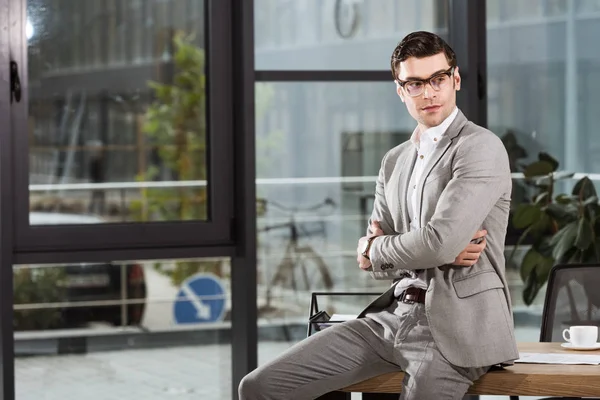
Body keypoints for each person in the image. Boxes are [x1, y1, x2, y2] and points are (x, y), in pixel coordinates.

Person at [238, 31, 518, 400]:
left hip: (457, 328)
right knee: (259, 386)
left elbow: (435, 243)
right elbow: (378, 263)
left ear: (456, 79)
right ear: (400, 91)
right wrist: (389, 251)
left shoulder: (480, 147)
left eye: (438, 79)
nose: (429, 92)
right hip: (389, 318)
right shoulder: (394, 160)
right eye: (415, 84)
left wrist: (380, 248)